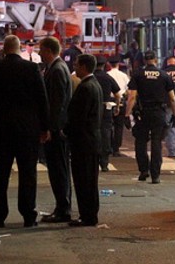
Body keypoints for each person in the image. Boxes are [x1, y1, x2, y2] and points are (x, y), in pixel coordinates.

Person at [0, 34, 50, 228]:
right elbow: (42, 99)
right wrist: (45, 127)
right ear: (18, 48)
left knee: (0, 174)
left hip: (0, 128)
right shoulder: (31, 68)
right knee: (28, 173)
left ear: (4, 48)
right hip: (27, 129)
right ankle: (28, 215)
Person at [125, 50, 175, 184]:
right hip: (159, 112)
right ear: (155, 60)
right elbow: (172, 98)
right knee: (156, 143)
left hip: (142, 113)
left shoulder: (138, 75)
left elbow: (132, 97)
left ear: (144, 61)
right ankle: (155, 175)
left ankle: (143, 170)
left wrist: (126, 114)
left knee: (141, 142)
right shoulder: (164, 75)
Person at [37, 36, 73, 224]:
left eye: (41, 50)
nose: (39, 53)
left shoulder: (57, 70)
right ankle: (62, 206)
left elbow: (57, 103)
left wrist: (51, 128)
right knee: (59, 169)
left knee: (58, 170)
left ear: (49, 51)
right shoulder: (57, 68)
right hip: (58, 128)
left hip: (57, 130)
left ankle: (63, 209)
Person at [66, 53, 104, 227]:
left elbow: (78, 117)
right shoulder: (94, 85)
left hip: (83, 141)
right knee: (90, 180)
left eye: (76, 64)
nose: (74, 67)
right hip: (92, 139)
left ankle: (86, 215)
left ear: (83, 67)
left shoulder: (85, 87)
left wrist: (67, 132)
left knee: (83, 180)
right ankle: (90, 214)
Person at [93, 55, 121, 171]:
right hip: (106, 108)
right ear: (105, 65)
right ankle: (104, 163)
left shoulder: (91, 77)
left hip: (93, 109)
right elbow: (118, 95)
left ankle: (94, 159)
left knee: (93, 132)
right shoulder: (108, 77)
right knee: (106, 133)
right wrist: (117, 106)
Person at [106, 55, 131, 156]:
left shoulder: (107, 74)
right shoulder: (124, 76)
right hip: (121, 100)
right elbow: (128, 90)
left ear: (108, 64)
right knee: (119, 126)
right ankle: (116, 148)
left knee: (108, 125)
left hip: (109, 101)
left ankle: (109, 145)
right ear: (118, 64)